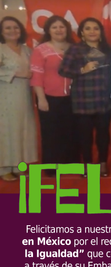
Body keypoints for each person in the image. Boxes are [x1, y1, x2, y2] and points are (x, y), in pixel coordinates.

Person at [59, 17, 111, 177]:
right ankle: (88, 165)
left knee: (103, 136)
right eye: (88, 28)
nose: (92, 31)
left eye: (95, 28)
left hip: (104, 99)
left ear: (100, 32)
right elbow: (63, 70)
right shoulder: (75, 49)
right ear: (82, 32)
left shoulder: (108, 49)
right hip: (83, 99)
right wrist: (82, 69)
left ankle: (102, 164)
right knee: (85, 137)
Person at [30, 15, 77, 176]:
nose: (59, 30)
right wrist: (41, 98)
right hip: (49, 97)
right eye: (54, 27)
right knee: (51, 133)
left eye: (62, 27)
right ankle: (51, 167)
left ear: (67, 29)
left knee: (71, 131)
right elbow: (36, 76)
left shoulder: (74, 48)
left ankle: (71, 164)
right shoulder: (40, 50)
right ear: (48, 30)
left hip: (72, 98)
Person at [0, 17, 37, 182]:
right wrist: (15, 73)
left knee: (22, 129)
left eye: (15, 27)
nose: (12, 31)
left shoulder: (27, 50)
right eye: (7, 28)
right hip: (4, 95)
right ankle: (4, 168)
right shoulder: (1, 49)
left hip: (24, 95)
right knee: (6, 130)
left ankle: (18, 166)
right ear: (1, 31)